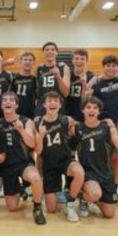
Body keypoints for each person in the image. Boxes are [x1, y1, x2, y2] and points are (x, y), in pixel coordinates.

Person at [71, 97, 118, 219]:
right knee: (95, 193)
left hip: (106, 174)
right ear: (83, 110)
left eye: (95, 108)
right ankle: (83, 198)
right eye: (88, 107)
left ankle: (95, 199)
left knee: (109, 214)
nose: (91, 110)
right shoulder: (77, 128)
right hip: (88, 173)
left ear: (99, 112)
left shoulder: (107, 128)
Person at [0, 92, 46, 225]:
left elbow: (32, 144)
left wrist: (21, 131)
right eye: (5, 100)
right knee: (12, 208)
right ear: (1, 105)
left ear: (16, 105)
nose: (8, 102)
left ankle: (37, 208)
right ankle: (21, 189)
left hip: (23, 163)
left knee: (35, 177)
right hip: (6, 167)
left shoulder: (26, 121)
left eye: (11, 100)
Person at [34, 91, 84, 220]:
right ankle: (53, 192)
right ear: (44, 104)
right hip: (49, 165)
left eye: (55, 101)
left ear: (60, 105)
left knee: (79, 172)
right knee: (51, 209)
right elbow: (38, 152)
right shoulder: (37, 122)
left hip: (65, 160)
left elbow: (75, 138)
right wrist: (40, 136)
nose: (52, 103)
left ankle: (71, 204)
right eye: (49, 100)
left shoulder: (66, 120)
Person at [91, 55, 118, 201]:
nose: (111, 68)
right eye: (108, 65)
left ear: (117, 67)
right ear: (103, 67)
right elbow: (91, 101)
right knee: (108, 158)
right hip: (104, 125)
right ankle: (107, 186)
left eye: (113, 65)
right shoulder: (97, 85)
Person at [35, 42, 70, 116]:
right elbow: (37, 92)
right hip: (42, 108)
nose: (49, 51)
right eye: (47, 50)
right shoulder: (39, 69)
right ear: (43, 53)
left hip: (58, 108)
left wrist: (58, 77)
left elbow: (66, 93)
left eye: (52, 49)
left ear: (56, 53)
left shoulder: (64, 67)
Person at [65, 49, 95, 122]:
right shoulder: (67, 75)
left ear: (86, 61)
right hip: (67, 112)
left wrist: (84, 84)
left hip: (82, 114)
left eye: (82, 59)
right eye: (76, 58)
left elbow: (86, 99)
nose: (79, 61)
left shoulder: (91, 77)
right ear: (72, 60)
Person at [10, 53, 37, 119]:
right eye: (25, 60)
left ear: (33, 63)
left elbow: (37, 99)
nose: (28, 62)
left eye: (30, 60)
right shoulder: (13, 77)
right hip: (15, 113)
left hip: (30, 113)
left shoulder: (35, 79)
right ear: (20, 62)